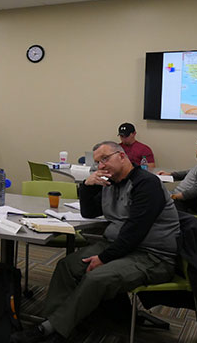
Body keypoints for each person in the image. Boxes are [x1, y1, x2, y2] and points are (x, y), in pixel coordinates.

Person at [11, 141, 179, 343]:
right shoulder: (110, 182)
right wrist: (87, 186)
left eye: (105, 159)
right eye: (98, 162)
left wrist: (103, 258)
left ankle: (51, 330)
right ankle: (54, 323)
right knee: (67, 266)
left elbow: (134, 232)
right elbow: (89, 212)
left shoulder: (147, 184)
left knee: (96, 277)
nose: (101, 166)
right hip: (120, 247)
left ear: (122, 156)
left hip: (152, 256)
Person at [158, 138, 197, 215]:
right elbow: (186, 173)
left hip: (183, 203)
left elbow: (196, 191)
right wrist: (170, 174)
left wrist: (173, 197)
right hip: (176, 197)